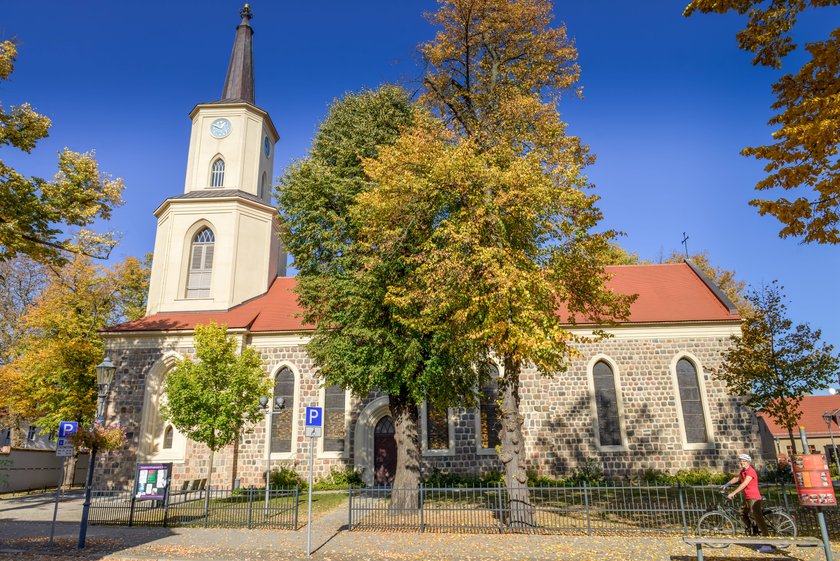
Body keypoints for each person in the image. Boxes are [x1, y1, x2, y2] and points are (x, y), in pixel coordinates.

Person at [721, 453, 772, 553]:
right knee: (741, 513)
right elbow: (737, 478)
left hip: (754, 498)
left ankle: (768, 544)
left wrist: (733, 493)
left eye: (743, 461)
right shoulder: (743, 471)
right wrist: (727, 484)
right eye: (740, 461)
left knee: (759, 519)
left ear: (748, 462)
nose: (741, 463)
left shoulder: (751, 471)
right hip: (747, 498)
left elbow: (744, 483)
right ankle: (753, 531)